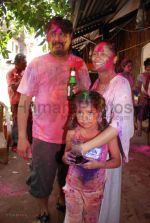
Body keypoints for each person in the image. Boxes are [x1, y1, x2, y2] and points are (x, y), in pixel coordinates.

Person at [17, 16, 91, 223]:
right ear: (48, 37)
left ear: (71, 37)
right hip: (44, 137)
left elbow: (88, 97)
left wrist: (82, 92)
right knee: (41, 178)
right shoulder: (37, 64)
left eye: (64, 34)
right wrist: (22, 137)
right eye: (54, 34)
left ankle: (61, 197)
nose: (59, 39)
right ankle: (43, 209)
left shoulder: (79, 64)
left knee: (68, 173)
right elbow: (23, 102)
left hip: (73, 135)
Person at [72, 41, 134, 223]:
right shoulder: (95, 83)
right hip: (91, 152)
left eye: (102, 53)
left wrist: (84, 147)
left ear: (114, 59)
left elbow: (118, 125)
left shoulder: (121, 84)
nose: (96, 56)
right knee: (87, 200)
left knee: (103, 203)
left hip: (108, 155)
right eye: (94, 53)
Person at [62, 90, 121, 223]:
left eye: (90, 113)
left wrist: (99, 164)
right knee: (73, 219)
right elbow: (65, 156)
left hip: (95, 190)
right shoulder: (72, 133)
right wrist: (65, 157)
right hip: (72, 187)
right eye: (80, 113)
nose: (84, 118)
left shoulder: (107, 135)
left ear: (99, 113)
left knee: (91, 219)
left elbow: (117, 161)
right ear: (75, 113)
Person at [6, 53, 28, 151]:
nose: (26, 63)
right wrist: (24, 78)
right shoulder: (10, 73)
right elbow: (14, 88)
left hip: (25, 101)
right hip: (16, 102)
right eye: (24, 61)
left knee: (28, 121)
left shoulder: (25, 71)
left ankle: (27, 142)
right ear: (18, 62)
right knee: (16, 122)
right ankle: (15, 144)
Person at [135, 58, 150, 136]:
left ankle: (148, 128)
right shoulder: (141, 75)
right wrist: (136, 99)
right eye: (148, 67)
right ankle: (139, 129)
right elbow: (137, 88)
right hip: (143, 97)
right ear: (145, 67)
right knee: (140, 113)